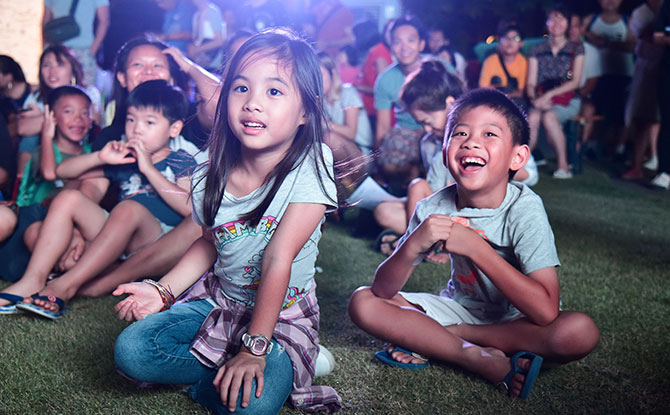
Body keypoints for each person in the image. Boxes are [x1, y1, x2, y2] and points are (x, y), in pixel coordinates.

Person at [112, 28, 342, 413]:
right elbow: (208, 242)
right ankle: (227, 369)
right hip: (220, 302)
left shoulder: (313, 163)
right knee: (132, 351)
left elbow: (277, 258)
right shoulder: (206, 170)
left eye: (274, 91)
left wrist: (254, 350)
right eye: (240, 88)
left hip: (281, 317)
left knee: (249, 406)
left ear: (305, 110)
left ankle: (276, 360)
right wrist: (164, 291)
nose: (253, 103)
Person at [349, 88, 599, 399]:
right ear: (444, 151)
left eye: (490, 134)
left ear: (517, 157)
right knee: (363, 302)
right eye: (460, 133)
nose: (471, 142)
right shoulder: (432, 207)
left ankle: (447, 340)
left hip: (518, 322)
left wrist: (476, 248)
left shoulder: (525, 208)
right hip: (459, 308)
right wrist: (411, 245)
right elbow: (382, 291)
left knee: (578, 331)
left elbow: (546, 313)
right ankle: (474, 357)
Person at [4, 80, 196, 319]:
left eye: (149, 122)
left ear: (174, 129)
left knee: (128, 208)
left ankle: (64, 286)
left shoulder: (181, 159)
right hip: (117, 238)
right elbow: (63, 171)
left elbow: (191, 209)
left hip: (156, 239)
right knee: (68, 198)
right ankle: (33, 279)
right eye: (131, 119)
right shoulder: (124, 159)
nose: (136, 129)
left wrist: (149, 169)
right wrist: (100, 157)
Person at [0, 86, 93, 287]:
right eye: (69, 111)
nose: (78, 118)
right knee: (30, 241)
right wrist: (46, 134)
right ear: (52, 116)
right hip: (31, 221)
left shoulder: (90, 153)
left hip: (67, 226)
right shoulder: (42, 152)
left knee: (78, 250)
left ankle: (58, 274)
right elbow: (49, 172)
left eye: (85, 113)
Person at [17, 45, 102, 176]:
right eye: (47, 65)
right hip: (47, 148)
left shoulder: (89, 92)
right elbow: (22, 128)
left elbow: (93, 121)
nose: (52, 71)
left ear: (73, 70)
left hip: (81, 145)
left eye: (60, 65)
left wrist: (43, 117)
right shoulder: (37, 97)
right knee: (29, 140)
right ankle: (22, 186)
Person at [527, 5, 584, 179]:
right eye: (552, 18)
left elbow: (575, 82)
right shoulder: (536, 50)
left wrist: (548, 96)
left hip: (569, 100)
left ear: (568, 23)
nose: (556, 22)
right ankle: (521, 165)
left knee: (549, 116)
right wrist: (534, 99)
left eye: (561, 18)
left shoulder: (576, 49)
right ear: (546, 23)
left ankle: (563, 165)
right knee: (533, 117)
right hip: (541, 98)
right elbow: (530, 82)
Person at [374, 16, 428, 190]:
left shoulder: (438, 68)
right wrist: (378, 163)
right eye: (397, 42)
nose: (404, 47)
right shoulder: (385, 80)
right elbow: (382, 127)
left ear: (421, 44)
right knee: (389, 164)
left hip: (438, 130)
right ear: (391, 47)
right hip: (406, 134)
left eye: (410, 40)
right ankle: (410, 179)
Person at [582, 0, 635, 157]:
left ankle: (618, 148)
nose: (610, 1)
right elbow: (578, 35)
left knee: (619, 113)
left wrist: (607, 43)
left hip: (622, 74)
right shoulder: (591, 19)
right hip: (596, 73)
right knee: (596, 108)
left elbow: (635, 45)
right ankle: (590, 146)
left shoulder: (627, 22)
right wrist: (590, 37)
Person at [621, 0, 664, 180]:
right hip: (646, 67)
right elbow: (643, 37)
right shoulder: (640, 13)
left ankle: (656, 160)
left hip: (664, 66)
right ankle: (637, 165)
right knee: (641, 116)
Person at [43, 0, 110, 88]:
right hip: (76, 50)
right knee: (85, 92)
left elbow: (46, 20)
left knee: (80, 92)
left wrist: (92, 50)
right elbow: (104, 21)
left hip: (75, 50)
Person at [319, 52, 373, 159]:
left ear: (332, 73)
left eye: (320, 76)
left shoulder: (348, 93)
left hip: (362, 152)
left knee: (329, 137)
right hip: (339, 151)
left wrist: (323, 123)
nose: (317, 82)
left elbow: (351, 132)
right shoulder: (321, 100)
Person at [352, 19, 392, 125]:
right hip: (372, 111)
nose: (352, 40)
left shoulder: (379, 54)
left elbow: (385, 89)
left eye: (354, 36)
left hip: (379, 114)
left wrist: (357, 87)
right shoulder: (373, 52)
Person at [479, 22, 528, 108]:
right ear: (499, 42)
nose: (510, 42)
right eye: (506, 38)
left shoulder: (524, 62)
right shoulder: (490, 61)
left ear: (521, 43)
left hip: (513, 102)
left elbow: (521, 92)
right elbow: (483, 88)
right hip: (492, 101)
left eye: (515, 38)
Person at [650, 0, 670, 189]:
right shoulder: (667, 6)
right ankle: (664, 172)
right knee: (667, 121)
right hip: (667, 72)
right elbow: (657, 37)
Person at [187, 0, 226, 71]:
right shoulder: (196, 15)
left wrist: (197, 49)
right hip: (200, 61)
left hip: (213, 63)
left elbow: (219, 41)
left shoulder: (213, 12)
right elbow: (196, 39)